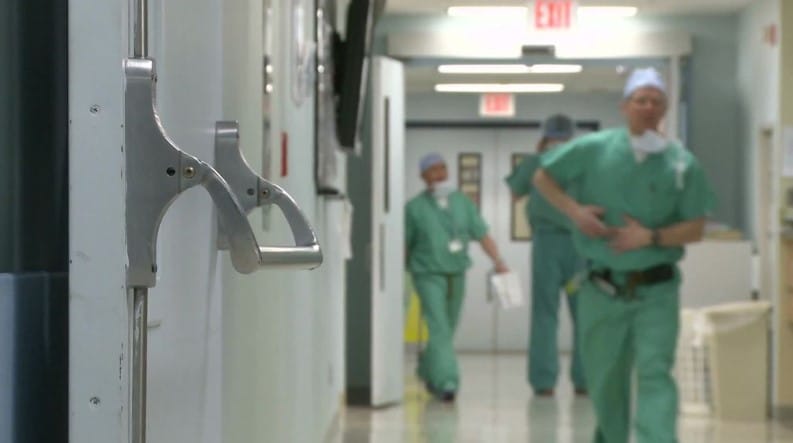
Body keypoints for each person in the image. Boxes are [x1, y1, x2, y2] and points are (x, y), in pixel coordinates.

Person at [533, 68, 716, 443]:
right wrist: (574, 211)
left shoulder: (681, 164)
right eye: (641, 100)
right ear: (625, 106)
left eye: (656, 101)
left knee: (654, 373)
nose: (648, 107)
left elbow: (696, 227)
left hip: (656, 290)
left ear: (664, 109)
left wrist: (652, 236)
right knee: (606, 381)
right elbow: (542, 177)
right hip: (603, 289)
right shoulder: (592, 149)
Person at [405, 153, 509, 402]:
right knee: (439, 326)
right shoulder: (413, 208)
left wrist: (499, 262)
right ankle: (448, 382)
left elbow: (482, 234)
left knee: (448, 328)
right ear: (422, 177)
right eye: (433, 170)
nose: (440, 174)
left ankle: (427, 369)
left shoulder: (463, 203)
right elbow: (405, 246)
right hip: (427, 273)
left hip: (457, 272)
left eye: (443, 168)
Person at [504, 114, 586, 397]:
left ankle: (544, 382)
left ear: (545, 135)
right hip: (580, 248)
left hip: (547, 246)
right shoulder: (583, 162)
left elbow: (514, 194)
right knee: (584, 314)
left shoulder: (535, 162)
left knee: (544, 314)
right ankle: (584, 382)